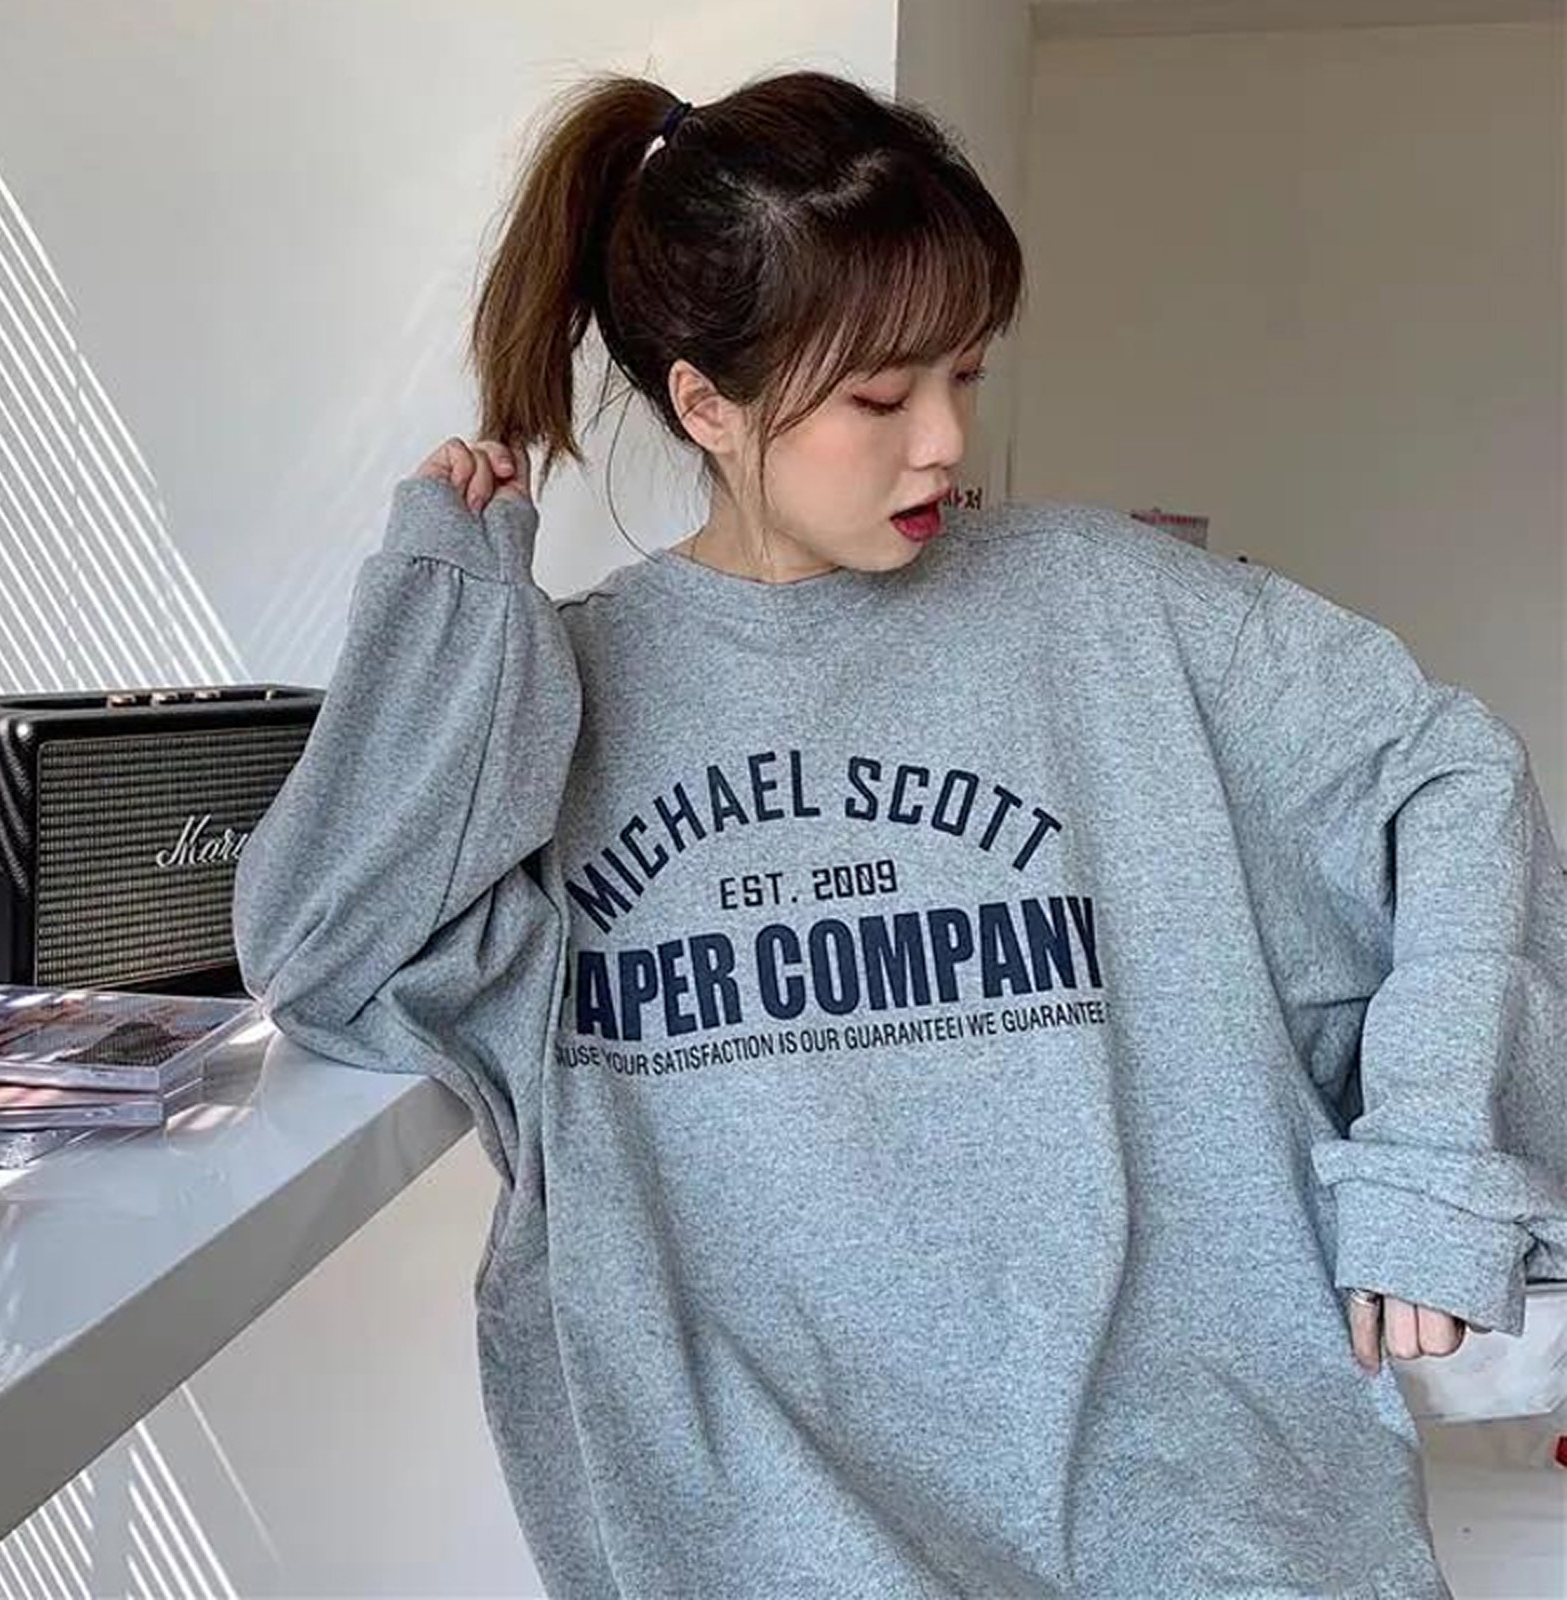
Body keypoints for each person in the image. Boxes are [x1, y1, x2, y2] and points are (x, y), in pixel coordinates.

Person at [231, 67, 1567, 1599]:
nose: (942, 440)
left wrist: (1431, 1159)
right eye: (878, 397)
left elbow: (1450, 776)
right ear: (706, 404)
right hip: (774, 1542)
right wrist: (449, 606)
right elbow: (322, 950)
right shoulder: (566, 701)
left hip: (1211, 1519)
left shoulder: (1105, 608)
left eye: (965, 374)